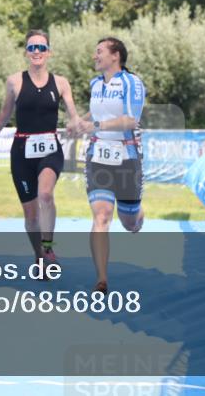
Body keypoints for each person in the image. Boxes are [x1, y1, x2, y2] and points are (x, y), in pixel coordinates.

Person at [0, 29, 80, 267]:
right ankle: (39, 257)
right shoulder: (14, 81)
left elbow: (73, 114)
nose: (36, 51)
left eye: (41, 47)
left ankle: (48, 247)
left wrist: (75, 123)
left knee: (46, 194)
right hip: (21, 151)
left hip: (49, 147)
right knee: (30, 216)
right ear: (26, 52)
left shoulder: (61, 83)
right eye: (32, 47)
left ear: (49, 52)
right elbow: (6, 113)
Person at [74, 37, 147, 293]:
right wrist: (78, 123)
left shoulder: (132, 83)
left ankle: (137, 216)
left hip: (127, 159)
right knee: (101, 216)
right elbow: (96, 113)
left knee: (128, 223)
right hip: (98, 158)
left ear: (115, 55)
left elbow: (130, 120)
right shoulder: (95, 84)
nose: (94, 56)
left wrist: (95, 126)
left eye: (99, 52)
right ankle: (101, 279)